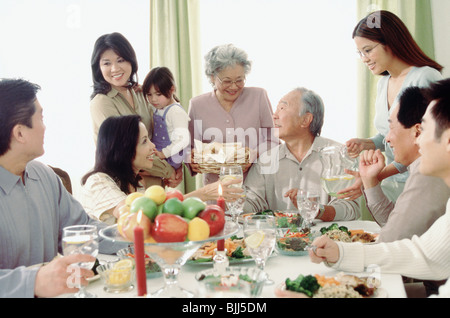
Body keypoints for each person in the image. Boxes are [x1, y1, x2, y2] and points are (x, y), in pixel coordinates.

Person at [309, 78, 450, 298]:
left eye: (426, 130)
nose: (386, 140)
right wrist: (342, 253)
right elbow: (424, 253)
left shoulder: (426, 175)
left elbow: (396, 240)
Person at [0, 78, 115, 298]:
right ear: (20, 133)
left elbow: (84, 230)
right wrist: (33, 282)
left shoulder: (44, 176)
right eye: (40, 117)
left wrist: (132, 233)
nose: (45, 126)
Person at [342, 10, 443, 202]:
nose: (364, 59)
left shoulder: (426, 77)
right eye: (360, 53)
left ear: (390, 41)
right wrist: (367, 143)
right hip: (392, 186)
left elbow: (427, 141)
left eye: (368, 50)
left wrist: (372, 178)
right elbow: (392, 133)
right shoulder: (383, 83)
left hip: (422, 184)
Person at [79, 115, 243, 224]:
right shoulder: (98, 182)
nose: (153, 146)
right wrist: (203, 193)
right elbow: (139, 217)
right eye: (144, 141)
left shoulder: (137, 183)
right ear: (124, 149)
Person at [243, 88, 360, 221]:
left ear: (305, 120)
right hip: (280, 239)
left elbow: (350, 209)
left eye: (282, 108)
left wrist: (316, 210)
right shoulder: (266, 160)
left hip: (327, 239)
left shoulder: (339, 155)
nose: (274, 115)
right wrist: (226, 198)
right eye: (276, 109)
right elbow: (250, 203)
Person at [89, 32, 180, 188]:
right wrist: (169, 170)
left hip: (155, 182)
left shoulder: (140, 93)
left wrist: (177, 166)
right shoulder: (101, 102)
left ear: (131, 61)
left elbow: (172, 118)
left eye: (120, 60)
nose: (115, 68)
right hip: (123, 186)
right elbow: (127, 151)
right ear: (98, 68)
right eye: (106, 63)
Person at [360, 86, 449, 243]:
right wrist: (370, 181)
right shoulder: (422, 169)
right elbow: (397, 225)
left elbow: (393, 238)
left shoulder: (427, 174)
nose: (386, 139)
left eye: (391, 127)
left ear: (417, 131)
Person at [187, 43, 277, 186]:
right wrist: (190, 159)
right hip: (215, 189)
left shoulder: (259, 97)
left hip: (256, 186)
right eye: (227, 81)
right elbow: (190, 147)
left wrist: (255, 153)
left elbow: (273, 140)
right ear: (212, 77)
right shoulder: (197, 105)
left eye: (240, 80)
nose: (234, 86)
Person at [142, 66, 190, 170]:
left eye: (158, 94)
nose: (153, 99)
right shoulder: (159, 106)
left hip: (170, 156)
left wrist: (164, 153)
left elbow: (183, 140)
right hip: (160, 151)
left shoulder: (176, 112)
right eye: (149, 94)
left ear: (172, 89)